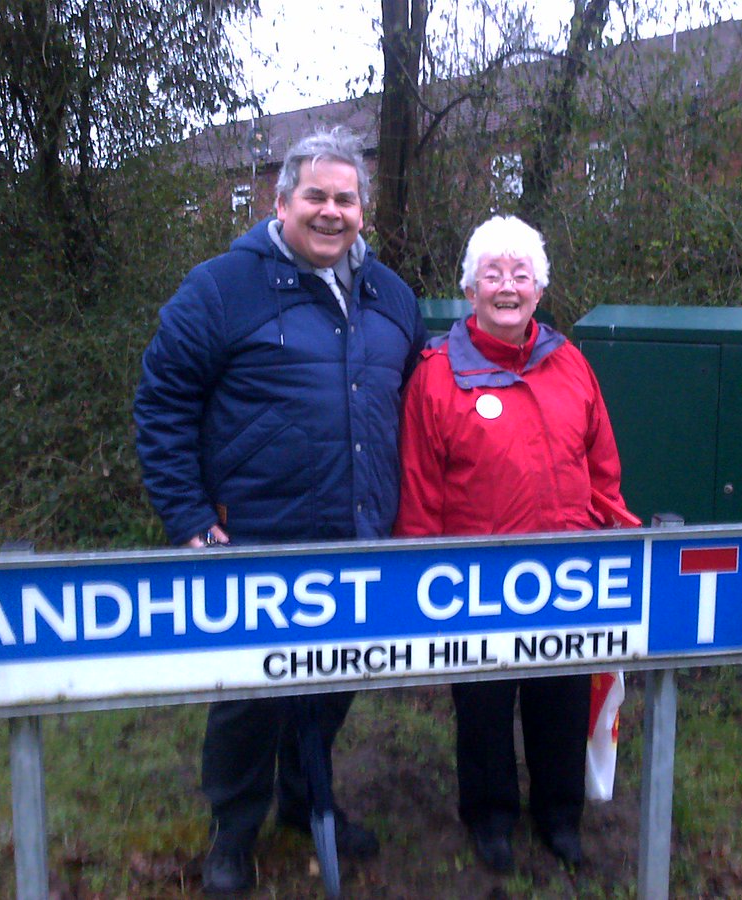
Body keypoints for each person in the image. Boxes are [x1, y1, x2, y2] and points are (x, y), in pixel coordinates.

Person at [133, 126, 428, 895]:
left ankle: (304, 800)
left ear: (365, 208)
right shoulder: (220, 288)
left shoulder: (391, 296)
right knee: (249, 697)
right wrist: (191, 520)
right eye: (316, 197)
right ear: (283, 201)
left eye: (346, 198)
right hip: (255, 539)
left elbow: (421, 404)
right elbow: (162, 405)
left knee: (333, 682)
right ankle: (234, 830)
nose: (331, 212)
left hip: (359, 538)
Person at [393, 215, 630, 873]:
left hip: (567, 573)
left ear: (538, 288)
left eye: (519, 274)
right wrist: (420, 575)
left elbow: (601, 465)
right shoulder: (437, 374)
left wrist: (619, 533)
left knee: (561, 697)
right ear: (470, 290)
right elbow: (419, 486)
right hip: (474, 581)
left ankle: (560, 817)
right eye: (492, 274)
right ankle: (489, 818)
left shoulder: (571, 362)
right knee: (485, 707)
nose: (506, 286)